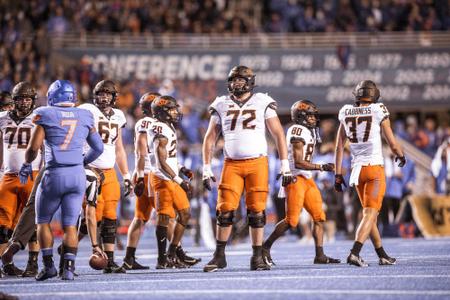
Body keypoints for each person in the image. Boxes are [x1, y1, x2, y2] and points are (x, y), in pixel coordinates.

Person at [202, 65, 294, 272]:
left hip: (257, 163)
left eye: (241, 80)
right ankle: (219, 256)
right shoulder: (221, 103)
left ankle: (257, 256)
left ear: (250, 81)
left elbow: (278, 134)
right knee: (224, 210)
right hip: (231, 164)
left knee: (257, 211)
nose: (236, 83)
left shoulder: (262, 101)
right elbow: (210, 137)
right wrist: (206, 166)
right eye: (233, 80)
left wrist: (285, 165)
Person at [19, 79, 103, 280]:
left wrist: (26, 164)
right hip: (76, 175)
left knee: (43, 221)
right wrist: (82, 162)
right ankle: (69, 269)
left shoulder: (45, 113)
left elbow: (33, 147)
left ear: (51, 96)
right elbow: (98, 148)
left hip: (54, 174)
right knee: (70, 225)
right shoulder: (85, 114)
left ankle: (48, 266)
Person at [334, 80, 405, 267]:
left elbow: (339, 145)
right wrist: (400, 154)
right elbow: (391, 142)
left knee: (369, 215)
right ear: (375, 95)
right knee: (371, 213)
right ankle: (354, 253)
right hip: (374, 169)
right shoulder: (378, 109)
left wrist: (337, 173)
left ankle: (382, 254)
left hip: (356, 171)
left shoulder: (346, 111)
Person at [262, 100, 340, 265]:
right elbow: (298, 162)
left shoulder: (308, 131)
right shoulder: (297, 130)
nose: (313, 119)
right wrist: (321, 166)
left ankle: (320, 255)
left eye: (313, 116)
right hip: (295, 178)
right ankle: (265, 247)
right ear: (301, 116)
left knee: (319, 217)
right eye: (310, 115)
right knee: (292, 221)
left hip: (307, 178)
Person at [78, 80, 132, 273]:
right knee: (93, 215)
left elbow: (119, 149)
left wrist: (126, 175)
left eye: (107, 94)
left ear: (114, 97)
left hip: (109, 172)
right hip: (90, 169)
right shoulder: (86, 110)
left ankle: (109, 260)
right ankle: (69, 249)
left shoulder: (118, 115)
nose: (103, 97)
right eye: (100, 93)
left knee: (110, 215)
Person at [142, 95, 194, 268]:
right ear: (162, 112)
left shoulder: (168, 126)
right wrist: (180, 180)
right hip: (162, 178)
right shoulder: (159, 130)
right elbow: (161, 162)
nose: (175, 112)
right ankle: (161, 258)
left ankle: (172, 252)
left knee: (185, 213)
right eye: (171, 109)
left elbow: (170, 156)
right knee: (164, 217)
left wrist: (182, 168)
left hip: (171, 177)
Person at [0, 82, 41, 277]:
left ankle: (33, 263)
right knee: (2, 224)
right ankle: (5, 265)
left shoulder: (39, 118)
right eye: (20, 99)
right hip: (8, 176)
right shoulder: (2, 118)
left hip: (31, 174)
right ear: (13, 101)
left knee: (32, 221)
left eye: (27, 99)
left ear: (33, 101)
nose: (24, 103)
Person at [122, 92, 160, 270]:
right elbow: (142, 149)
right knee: (168, 214)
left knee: (140, 217)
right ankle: (170, 255)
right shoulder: (148, 123)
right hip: (151, 174)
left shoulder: (148, 123)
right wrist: (141, 175)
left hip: (146, 173)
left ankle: (129, 258)